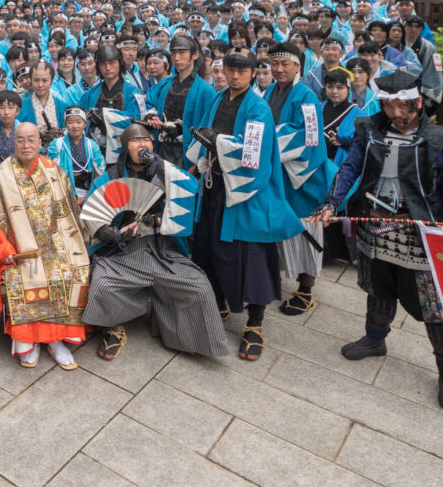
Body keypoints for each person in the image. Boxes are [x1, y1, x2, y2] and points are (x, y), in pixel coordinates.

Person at [313, 71, 443, 411]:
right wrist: (331, 202)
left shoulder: (440, 140)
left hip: (420, 231)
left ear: (419, 102)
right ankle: (375, 340)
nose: (397, 116)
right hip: (375, 222)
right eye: (388, 107)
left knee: (435, 307)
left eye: (404, 108)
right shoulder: (368, 131)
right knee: (378, 287)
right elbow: (350, 169)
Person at [187, 53, 304, 362]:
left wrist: (218, 142)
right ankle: (219, 301)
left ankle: (255, 323)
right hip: (215, 186)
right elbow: (205, 134)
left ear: (253, 73)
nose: (234, 76)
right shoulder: (217, 98)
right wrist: (202, 151)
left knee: (250, 257)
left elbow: (252, 159)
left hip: (245, 193)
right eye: (230, 70)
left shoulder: (258, 109)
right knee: (210, 248)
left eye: (242, 71)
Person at [83, 124, 229, 359]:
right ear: (124, 147)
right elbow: (94, 216)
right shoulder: (111, 178)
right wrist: (111, 233)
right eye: (135, 141)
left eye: (147, 140)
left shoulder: (167, 174)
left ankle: (187, 335)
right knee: (102, 283)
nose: (142, 145)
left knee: (198, 284)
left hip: (162, 246)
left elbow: (190, 192)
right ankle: (113, 328)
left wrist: (156, 216)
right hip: (123, 250)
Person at [0, 122, 90, 370]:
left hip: (55, 243)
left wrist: (72, 242)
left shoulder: (54, 171)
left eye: (31, 140)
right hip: (18, 250)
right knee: (24, 278)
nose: (26, 145)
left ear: (40, 143)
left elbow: (69, 211)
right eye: (20, 140)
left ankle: (56, 340)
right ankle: (27, 341)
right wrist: (4, 252)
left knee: (70, 269)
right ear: (13, 143)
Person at [262, 43, 337, 317]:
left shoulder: (306, 97)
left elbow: (310, 136)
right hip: (278, 173)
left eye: (285, 64)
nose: (279, 69)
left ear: (298, 67)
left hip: (303, 176)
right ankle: (276, 278)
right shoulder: (269, 90)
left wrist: (267, 141)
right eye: (275, 63)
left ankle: (306, 290)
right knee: (278, 229)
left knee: (305, 233)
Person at [145, 35, 214, 167]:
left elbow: (207, 128)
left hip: (187, 152)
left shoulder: (206, 90)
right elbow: (149, 101)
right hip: (162, 147)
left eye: (182, 53)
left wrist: (197, 165)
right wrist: (152, 116)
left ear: (195, 55)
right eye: (174, 53)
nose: (177, 58)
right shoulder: (164, 84)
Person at [46, 106, 105, 206]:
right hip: (62, 192)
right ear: (65, 124)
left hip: (86, 193)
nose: (75, 126)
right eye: (70, 122)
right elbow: (50, 172)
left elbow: (99, 173)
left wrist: (85, 197)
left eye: (79, 122)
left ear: (85, 124)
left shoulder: (92, 146)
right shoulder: (57, 145)